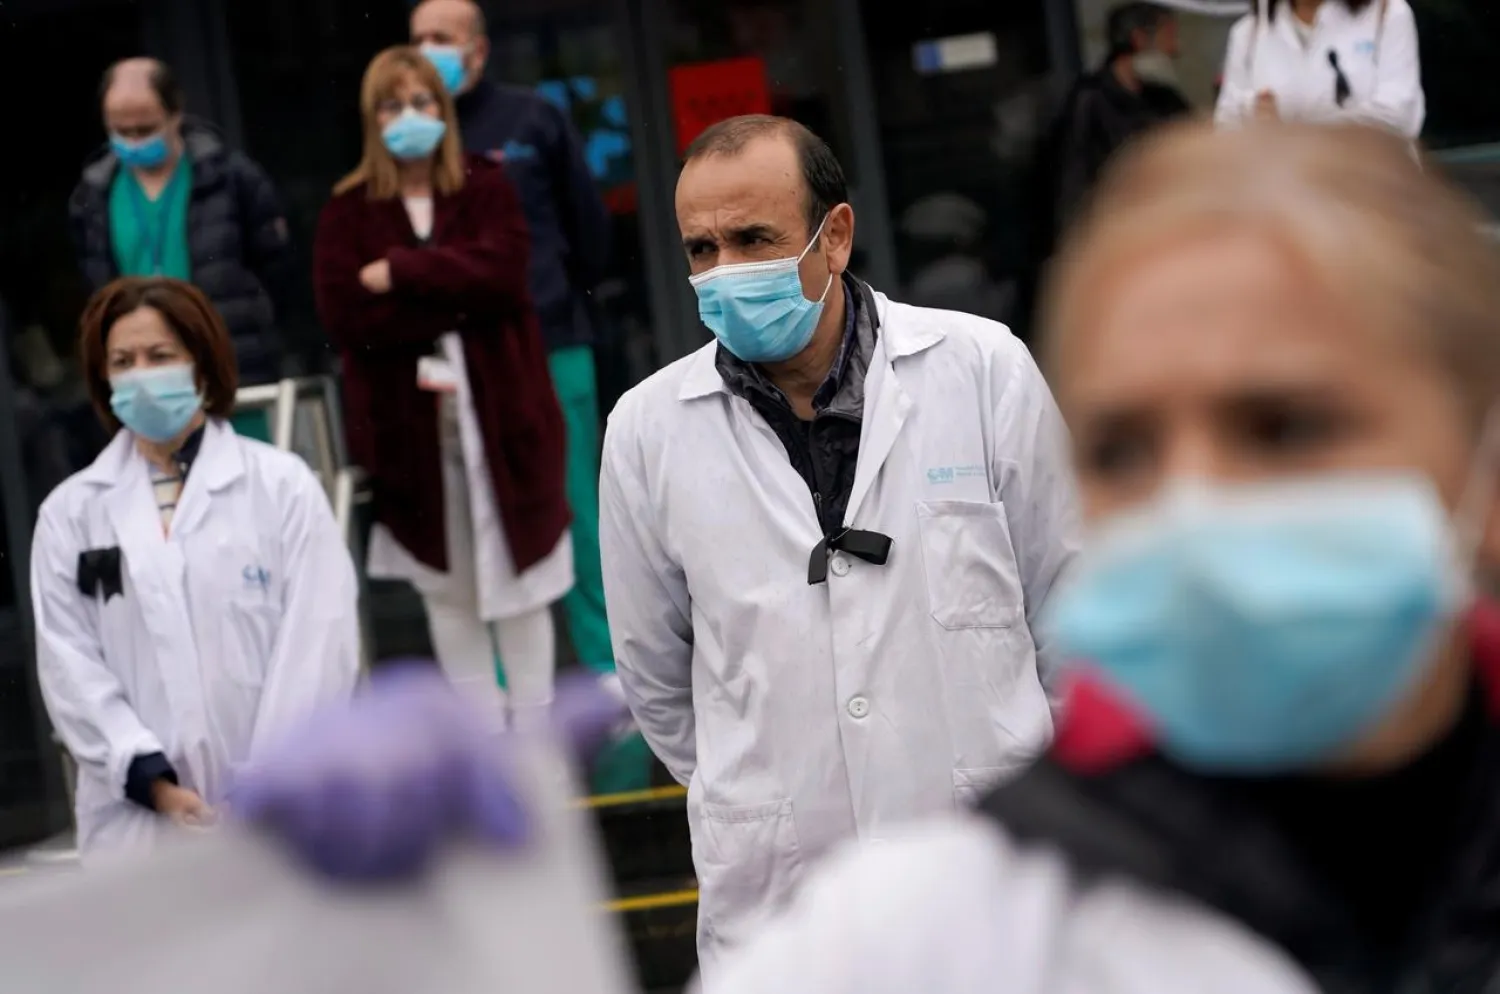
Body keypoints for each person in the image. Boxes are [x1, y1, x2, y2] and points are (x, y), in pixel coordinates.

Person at [599, 114, 1078, 977]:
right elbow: (655, 678)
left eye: (754, 239)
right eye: (701, 249)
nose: (725, 272)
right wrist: (767, 788)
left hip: (989, 874)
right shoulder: (646, 430)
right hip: (782, 896)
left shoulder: (979, 368)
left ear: (838, 235)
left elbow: (1071, 608)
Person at [30, 277, 359, 862]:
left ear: (202, 367)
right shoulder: (70, 515)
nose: (140, 375)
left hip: (279, 823)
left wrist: (266, 787)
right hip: (139, 829)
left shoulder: (281, 489)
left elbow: (318, 644)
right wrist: (149, 780)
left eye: (160, 357)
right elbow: (69, 666)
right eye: (122, 362)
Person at [312, 47, 571, 731]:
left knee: (521, 583)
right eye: (393, 105)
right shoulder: (347, 211)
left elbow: (505, 274)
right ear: (372, 119)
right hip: (411, 434)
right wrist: (456, 288)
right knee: (449, 592)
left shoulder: (485, 186)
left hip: (503, 417)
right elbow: (347, 314)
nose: (409, 117)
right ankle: (482, 740)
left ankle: (537, 741)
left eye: (422, 102)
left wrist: (399, 271)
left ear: (444, 111)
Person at [410, 0, 617, 683]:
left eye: (442, 38)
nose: (429, 50)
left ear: (478, 48)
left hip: (551, 341)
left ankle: (610, 666)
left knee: (576, 508)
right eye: (418, 40)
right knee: (481, 518)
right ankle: (500, 689)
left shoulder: (534, 118)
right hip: (461, 361)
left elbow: (589, 229)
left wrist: (560, 296)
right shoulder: (409, 135)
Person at [69, 58, 295, 388]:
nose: (132, 142)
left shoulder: (230, 177)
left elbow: (278, 273)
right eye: (120, 132)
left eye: (145, 129)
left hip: (231, 365)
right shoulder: (93, 196)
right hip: (144, 374)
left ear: (175, 114)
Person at [1047, 2, 1191, 234]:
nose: (1175, 49)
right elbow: (1073, 184)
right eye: (1169, 38)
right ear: (1139, 39)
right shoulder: (1089, 101)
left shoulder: (1166, 100)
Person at [1215, 0, 1424, 139]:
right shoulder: (1249, 31)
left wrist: (1292, 134)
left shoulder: (1389, 14)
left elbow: (1397, 116)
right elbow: (1225, 125)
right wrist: (1255, 113)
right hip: (1283, 195)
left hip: (1370, 192)